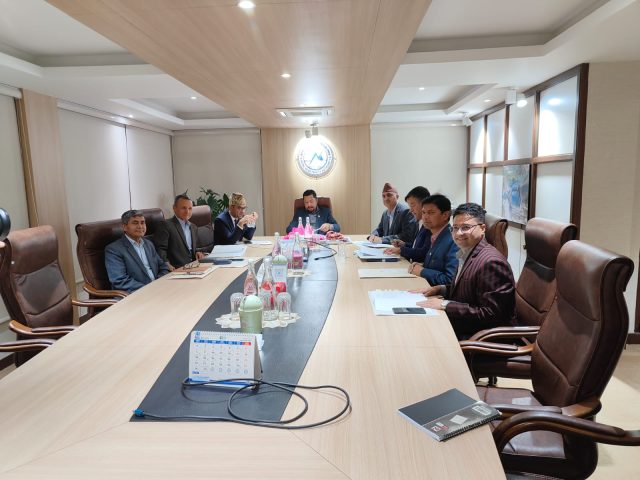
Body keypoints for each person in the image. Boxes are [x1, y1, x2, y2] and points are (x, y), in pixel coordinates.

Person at [414, 202, 515, 339]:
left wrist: (445, 304)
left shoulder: (491, 263)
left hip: (476, 337)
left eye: (466, 227)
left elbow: (492, 314)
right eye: (455, 228)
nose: (458, 233)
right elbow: (469, 289)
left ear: (483, 228)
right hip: (460, 325)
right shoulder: (467, 252)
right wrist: (441, 289)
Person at [105, 210, 169, 293]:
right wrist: (149, 289)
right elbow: (119, 280)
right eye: (135, 223)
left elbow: (163, 266)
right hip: (134, 294)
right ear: (125, 227)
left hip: (157, 289)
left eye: (142, 223)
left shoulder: (148, 244)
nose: (140, 226)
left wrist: (158, 283)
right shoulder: (114, 250)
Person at [406, 194, 458, 285]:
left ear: (445, 215)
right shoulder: (435, 235)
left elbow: (450, 280)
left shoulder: (454, 240)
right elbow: (437, 267)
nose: (425, 217)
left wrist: (422, 271)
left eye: (431, 213)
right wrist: (421, 266)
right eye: (423, 212)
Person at [154, 194, 205, 271]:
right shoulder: (165, 225)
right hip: (177, 269)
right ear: (174, 208)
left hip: (194, 266)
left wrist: (197, 252)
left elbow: (194, 247)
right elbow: (160, 249)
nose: (187, 211)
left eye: (190, 208)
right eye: (183, 208)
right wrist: (166, 264)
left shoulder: (193, 227)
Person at [384, 185, 430, 260]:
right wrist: (404, 244)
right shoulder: (419, 223)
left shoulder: (429, 226)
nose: (411, 210)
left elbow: (423, 252)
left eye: (412, 205)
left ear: (423, 204)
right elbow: (416, 246)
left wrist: (401, 250)